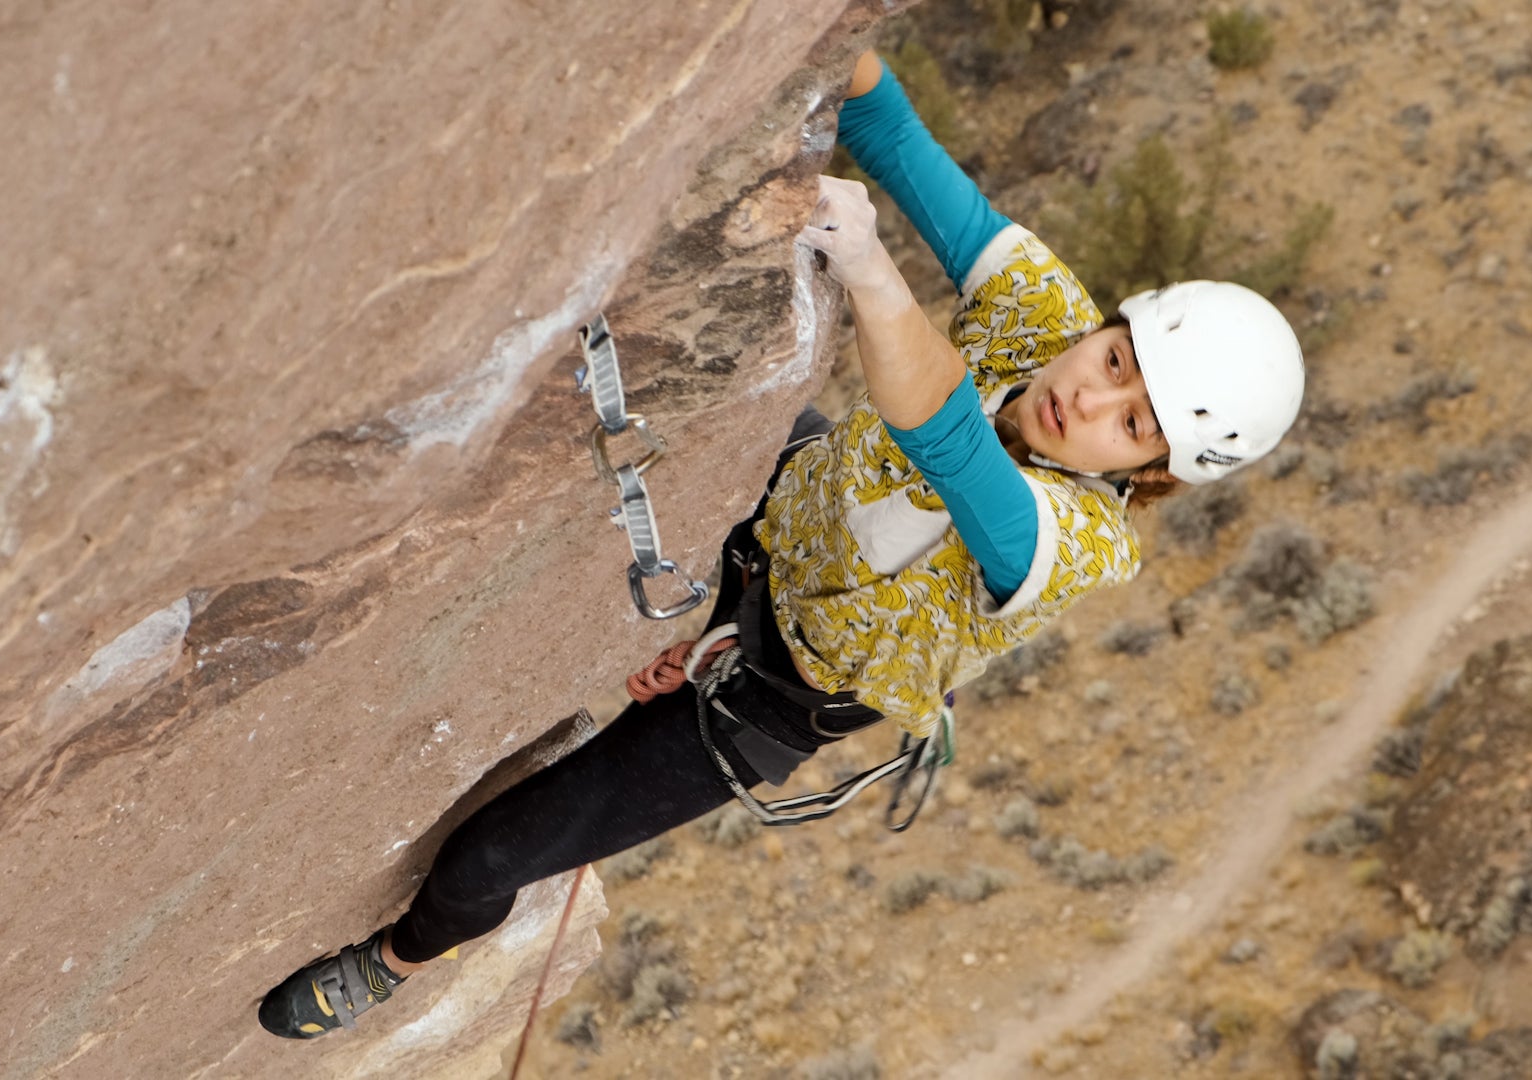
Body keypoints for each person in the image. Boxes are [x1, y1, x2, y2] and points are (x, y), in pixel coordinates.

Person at [257, 47, 1304, 1039]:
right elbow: (888, 130)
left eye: (1134, 424)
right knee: (711, 392)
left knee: (490, 858)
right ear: (1112, 323)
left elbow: (945, 443)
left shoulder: (1077, 541)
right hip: (781, 506)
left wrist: (874, 277)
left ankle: (397, 963)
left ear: (1150, 475)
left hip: (763, 690)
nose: (1091, 394)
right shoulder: (1049, 316)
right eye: (1117, 358)